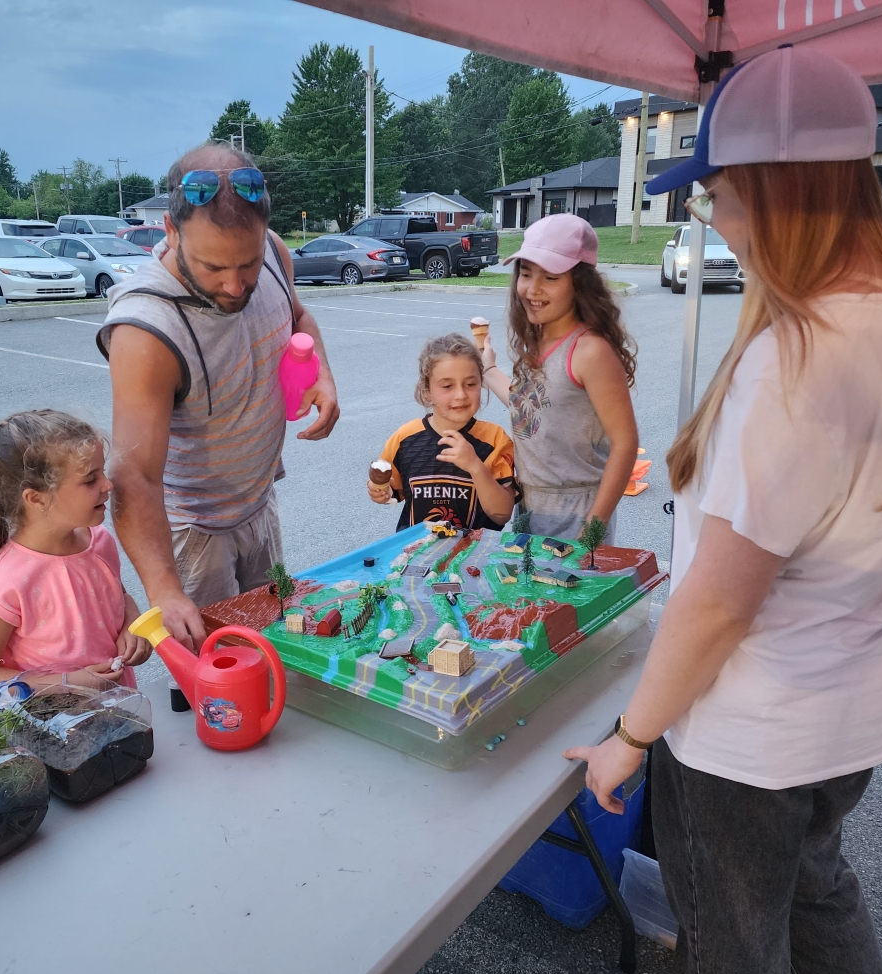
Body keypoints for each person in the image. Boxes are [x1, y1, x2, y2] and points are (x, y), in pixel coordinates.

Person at [566, 48, 882, 974]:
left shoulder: (793, 361)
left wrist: (629, 739)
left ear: (768, 190)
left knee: (736, 964)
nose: (711, 217)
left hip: (750, 740)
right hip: (853, 710)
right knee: (816, 890)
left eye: (714, 193)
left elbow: (720, 599)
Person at [98, 144, 340, 653]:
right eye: (212, 267)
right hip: (193, 532)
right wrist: (163, 588)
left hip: (258, 504)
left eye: (247, 264)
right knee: (219, 677)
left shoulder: (273, 249)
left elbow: (299, 319)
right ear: (170, 229)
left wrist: (321, 373)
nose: (235, 284)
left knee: (276, 644)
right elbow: (134, 476)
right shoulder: (146, 329)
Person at [0, 410, 151, 699]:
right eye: (90, 480)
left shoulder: (100, 542)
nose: (108, 484)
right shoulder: (4, 584)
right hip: (49, 735)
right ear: (36, 498)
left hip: (118, 717)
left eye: (102, 472)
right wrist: (67, 682)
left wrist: (133, 623)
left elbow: (120, 597)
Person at [481, 214, 638, 542]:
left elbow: (625, 444)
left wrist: (590, 534)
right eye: (526, 274)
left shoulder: (590, 350)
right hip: (528, 508)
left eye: (551, 278)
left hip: (575, 515)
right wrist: (488, 370)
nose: (532, 289)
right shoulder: (538, 339)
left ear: (580, 284)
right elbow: (530, 406)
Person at [369, 333, 516, 530]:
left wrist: (475, 467)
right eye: (447, 386)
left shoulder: (495, 440)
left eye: (471, 384)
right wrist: (380, 492)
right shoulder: (404, 438)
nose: (461, 394)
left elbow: (502, 515)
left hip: (473, 556)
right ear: (426, 391)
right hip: (417, 554)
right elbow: (391, 492)